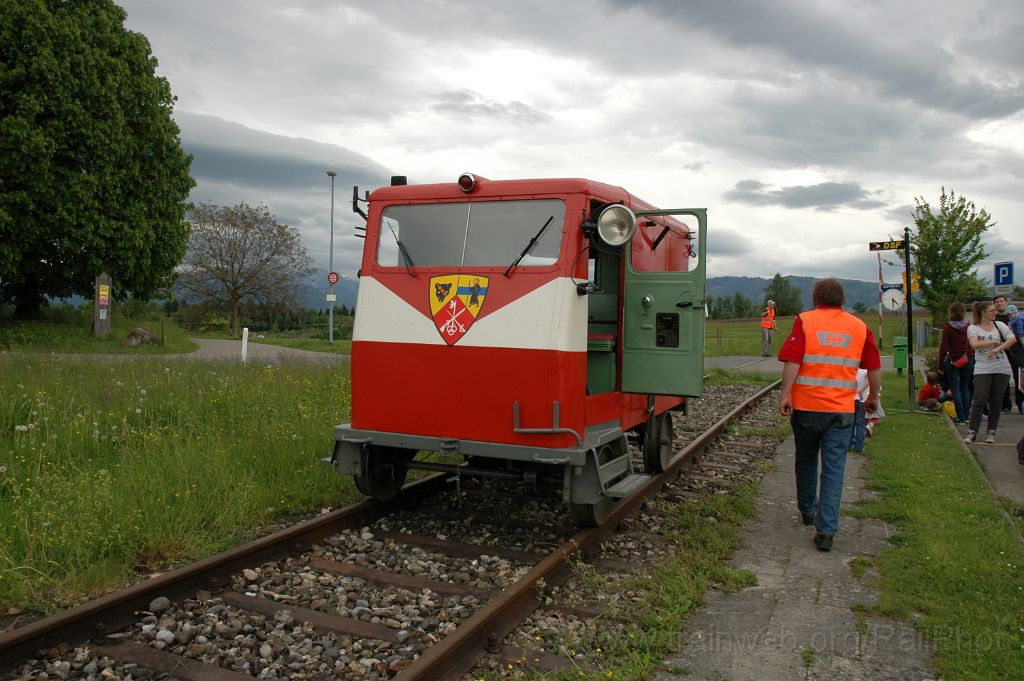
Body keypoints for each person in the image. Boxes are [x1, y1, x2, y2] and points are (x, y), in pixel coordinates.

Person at [778, 278, 881, 553]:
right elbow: (873, 368)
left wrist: (785, 394)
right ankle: (826, 533)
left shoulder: (805, 321)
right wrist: (872, 398)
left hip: (807, 409)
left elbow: (792, 361)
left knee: (806, 461)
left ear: (815, 299)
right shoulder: (859, 327)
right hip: (842, 411)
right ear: (842, 300)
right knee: (835, 470)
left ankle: (807, 511)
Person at [964, 300, 1016, 444]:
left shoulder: (1000, 325)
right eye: (991, 310)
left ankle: (991, 431)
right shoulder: (973, 328)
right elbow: (974, 344)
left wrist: (998, 348)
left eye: (995, 310)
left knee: (996, 400)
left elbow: (1012, 339)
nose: (995, 312)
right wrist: (993, 342)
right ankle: (972, 431)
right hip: (983, 367)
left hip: (1001, 366)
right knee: (980, 398)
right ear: (983, 312)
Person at [938, 302, 974, 424]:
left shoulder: (948, 327)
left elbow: (944, 347)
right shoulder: (968, 326)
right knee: (965, 387)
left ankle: (960, 417)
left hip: (953, 360)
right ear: (964, 312)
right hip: (967, 358)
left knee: (955, 388)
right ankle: (967, 415)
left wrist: (940, 365)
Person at [994, 295, 1016, 413]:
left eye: (1001, 301)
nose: (999, 303)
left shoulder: (1013, 317)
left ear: (1006, 302)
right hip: (1001, 351)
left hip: (1016, 351)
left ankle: (1020, 402)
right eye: (997, 302)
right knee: (1003, 378)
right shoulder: (994, 319)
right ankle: (1005, 404)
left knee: (1018, 377)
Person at [1007, 304, 1024, 414]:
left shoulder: (1019, 319)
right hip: (1017, 350)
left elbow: (1020, 334)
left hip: (1019, 347)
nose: (1009, 315)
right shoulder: (1013, 319)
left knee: (1020, 379)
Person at [849, 369, 869, 453]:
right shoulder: (865, 369)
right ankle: (859, 446)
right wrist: (861, 390)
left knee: (851, 423)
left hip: (851, 399)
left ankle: (848, 445)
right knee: (860, 423)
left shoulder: (853, 368)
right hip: (861, 399)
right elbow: (869, 379)